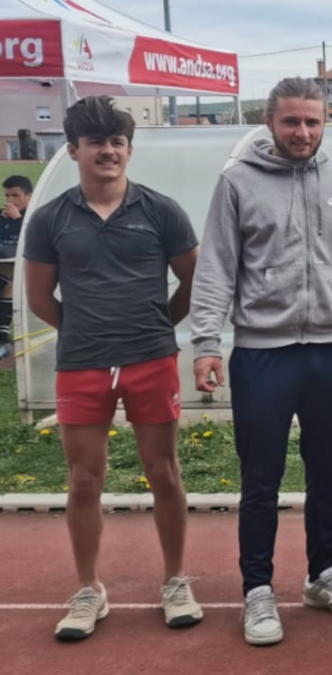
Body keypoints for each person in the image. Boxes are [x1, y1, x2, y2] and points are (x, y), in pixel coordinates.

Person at [190, 77, 332, 646]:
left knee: (327, 470)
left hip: (331, 350)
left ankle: (321, 574)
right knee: (262, 479)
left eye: (311, 121)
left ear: (324, 121)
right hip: (262, 354)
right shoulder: (237, 182)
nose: (302, 132)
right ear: (270, 122)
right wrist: (206, 343)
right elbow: (216, 271)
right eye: (291, 122)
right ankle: (258, 589)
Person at [22, 96, 203, 640]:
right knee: (83, 481)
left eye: (117, 141)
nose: (107, 151)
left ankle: (175, 580)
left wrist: (153, 326)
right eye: (96, 142)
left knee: (165, 474)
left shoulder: (161, 210)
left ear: (129, 148)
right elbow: (38, 299)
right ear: (74, 148)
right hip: (82, 364)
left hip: (152, 359)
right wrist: (86, 331)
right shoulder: (51, 219)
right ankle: (88, 590)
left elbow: (193, 284)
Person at [1, 174, 33, 355]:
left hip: (26, 268)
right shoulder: (1, 216)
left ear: (28, 196)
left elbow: (39, 240)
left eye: (15, 195)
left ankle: (2, 338)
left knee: (10, 280)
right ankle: (2, 337)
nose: (10, 200)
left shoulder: (36, 216)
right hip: (6, 268)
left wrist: (18, 220)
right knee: (9, 282)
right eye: (7, 196)